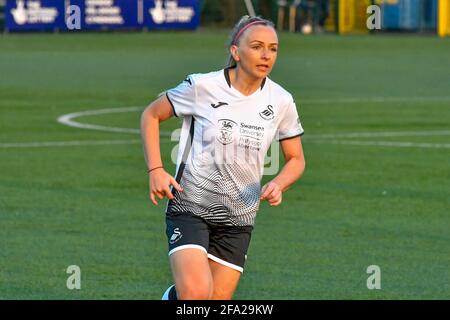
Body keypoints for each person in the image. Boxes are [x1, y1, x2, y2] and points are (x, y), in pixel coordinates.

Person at [141, 15, 306, 300]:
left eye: (273, 48)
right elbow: (151, 115)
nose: (266, 55)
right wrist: (155, 169)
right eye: (256, 46)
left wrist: (279, 183)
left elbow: (296, 159)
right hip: (190, 205)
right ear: (235, 51)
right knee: (195, 295)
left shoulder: (281, 100)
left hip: (240, 217)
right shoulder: (202, 86)